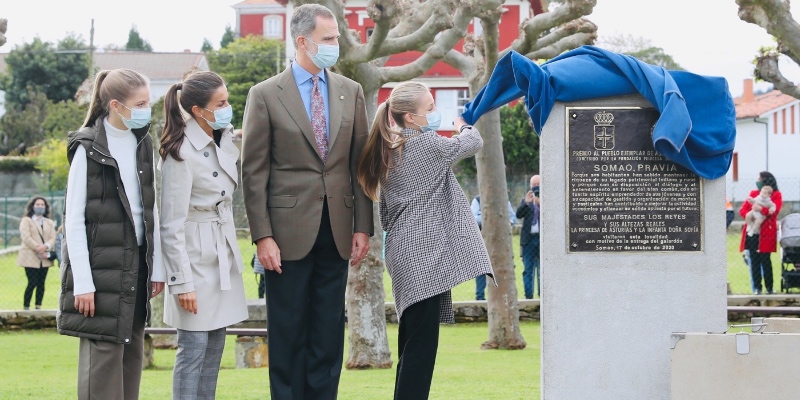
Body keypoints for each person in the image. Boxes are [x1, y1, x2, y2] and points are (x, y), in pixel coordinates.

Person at [240, 4, 373, 399]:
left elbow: (359, 165)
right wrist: (262, 236)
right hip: (285, 237)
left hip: (337, 231)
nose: (336, 45)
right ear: (302, 41)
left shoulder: (352, 92)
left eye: (336, 38)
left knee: (328, 333)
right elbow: (253, 172)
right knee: (288, 330)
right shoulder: (264, 95)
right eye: (328, 39)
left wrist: (363, 226)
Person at [356, 81, 494, 400]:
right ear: (410, 118)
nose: (435, 113)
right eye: (429, 108)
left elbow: (388, 216)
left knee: (412, 345)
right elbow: (472, 142)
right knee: (421, 350)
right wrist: (464, 124)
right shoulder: (428, 145)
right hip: (424, 257)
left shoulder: (389, 151)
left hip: (403, 253)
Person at [57, 68, 165, 400]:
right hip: (98, 277)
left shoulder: (142, 142)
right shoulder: (86, 147)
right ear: (117, 105)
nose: (148, 109)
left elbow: (150, 210)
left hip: (136, 270)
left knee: (130, 366)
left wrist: (157, 269)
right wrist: (84, 284)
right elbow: (73, 221)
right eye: (142, 103)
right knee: (101, 372)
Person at [159, 71, 249, 399]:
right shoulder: (180, 151)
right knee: (193, 348)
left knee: (214, 348)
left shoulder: (221, 138)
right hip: (193, 257)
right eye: (221, 103)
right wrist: (181, 282)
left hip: (220, 250)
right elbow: (171, 224)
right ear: (199, 110)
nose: (228, 107)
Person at [739, 171, 782, 295]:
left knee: (765, 260)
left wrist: (761, 209)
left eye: (760, 178)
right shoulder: (753, 194)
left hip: (766, 233)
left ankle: (769, 288)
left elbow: (774, 212)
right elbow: (743, 210)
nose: (757, 181)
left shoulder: (776, 195)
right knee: (754, 260)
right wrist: (751, 216)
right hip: (753, 232)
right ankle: (757, 288)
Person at [471, 195, 516, 300]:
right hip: (482, 240)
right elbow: (473, 218)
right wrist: (495, 217)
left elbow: (512, 217)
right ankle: (480, 297)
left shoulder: (503, 199)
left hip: (500, 241)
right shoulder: (478, 200)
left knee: (499, 269)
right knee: (481, 269)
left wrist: (501, 220)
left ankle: (500, 296)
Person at [17, 196, 56, 310]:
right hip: (30, 256)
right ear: (32, 206)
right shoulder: (26, 220)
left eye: (42, 205)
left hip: (44, 257)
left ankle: (38, 306)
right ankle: (26, 307)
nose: (40, 207)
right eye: (37, 205)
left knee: (41, 283)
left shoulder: (48, 222)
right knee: (32, 282)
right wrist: (37, 248)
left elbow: (53, 238)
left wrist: (46, 246)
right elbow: (26, 236)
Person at [516, 175, 541, 299]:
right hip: (528, 240)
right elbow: (518, 215)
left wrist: (541, 204)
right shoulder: (526, 200)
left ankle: (543, 297)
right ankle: (528, 296)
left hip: (543, 240)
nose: (536, 187)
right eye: (534, 185)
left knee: (542, 270)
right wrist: (526, 203)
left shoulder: (548, 200)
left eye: (538, 184)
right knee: (528, 270)